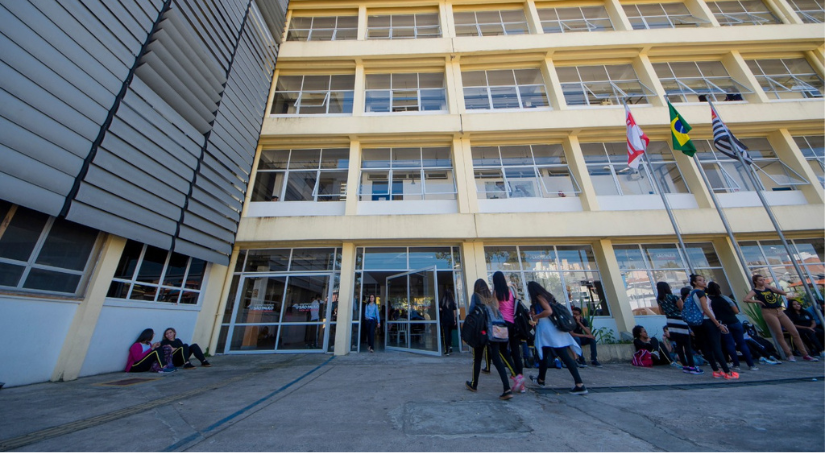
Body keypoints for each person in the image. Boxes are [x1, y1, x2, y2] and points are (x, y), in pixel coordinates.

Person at [526, 281, 587, 395]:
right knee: (543, 355)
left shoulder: (539, 297)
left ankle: (580, 384)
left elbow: (548, 311)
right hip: (553, 329)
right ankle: (541, 379)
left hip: (548, 331)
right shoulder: (547, 296)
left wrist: (536, 316)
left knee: (562, 355)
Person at [743, 274, 818, 362]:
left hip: (779, 310)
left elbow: (783, 293)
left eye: (763, 279)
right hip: (768, 312)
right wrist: (757, 300)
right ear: (755, 281)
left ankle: (805, 354)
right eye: (760, 280)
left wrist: (770, 287)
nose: (763, 281)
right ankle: (789, 354)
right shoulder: (755, 290)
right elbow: (746, 299)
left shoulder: (768, 288)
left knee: (794, 332)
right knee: (779, 333)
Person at [465, 279, 514, 400]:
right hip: (494, 332)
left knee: (477, 358)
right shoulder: (492, 298)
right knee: (497, 359)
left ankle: (474, 384)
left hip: (481, 331)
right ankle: (507, 388)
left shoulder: (476, 296)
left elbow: (471, 311)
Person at [688, 274, 738, 379]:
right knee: (716, 347)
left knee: (706, 347)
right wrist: (717, 323)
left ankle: (715, 370)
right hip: (708, 321)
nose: (704, 282)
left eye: (703, 280)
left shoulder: (691, 293)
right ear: (694, 282)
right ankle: (727, 372)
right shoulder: (701, 293)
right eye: (700, 280)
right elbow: (706, 309)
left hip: (697, 323)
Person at [707, 282, 757, 372]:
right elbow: (736, 311)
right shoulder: (725, 298)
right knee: (742, 343)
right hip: (734, 321)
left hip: (723, 324)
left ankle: (736, 364)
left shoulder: (708, 300)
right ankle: (751, 364)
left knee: (729, 344)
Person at [656, 282, 701, 374]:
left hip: (670, 322)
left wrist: (669, 312)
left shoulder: (660, 299)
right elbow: (682, 308)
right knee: (687, 344)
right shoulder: (674, 297)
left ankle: (685, 366)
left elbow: (661, 312)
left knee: (679, 345)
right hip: (680, 320)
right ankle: (692, 366)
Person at [492, 271, 525, 392]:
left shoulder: (496, 293)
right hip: (513, 324)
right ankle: (522, 386)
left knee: (502, 350)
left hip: (502, 325)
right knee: (516, 352)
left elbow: (496, 310)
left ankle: (516, 375)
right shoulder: (511, 291)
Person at [439, 289, 457, 356]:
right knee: (450, 333)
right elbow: (454, 312)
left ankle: (447, 350)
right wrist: (454, 320)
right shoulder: (452, 301)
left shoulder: (442, 302)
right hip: (451, 320)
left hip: (445, 320)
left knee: (445, 335)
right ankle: (450, 346)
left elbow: (440, 310)